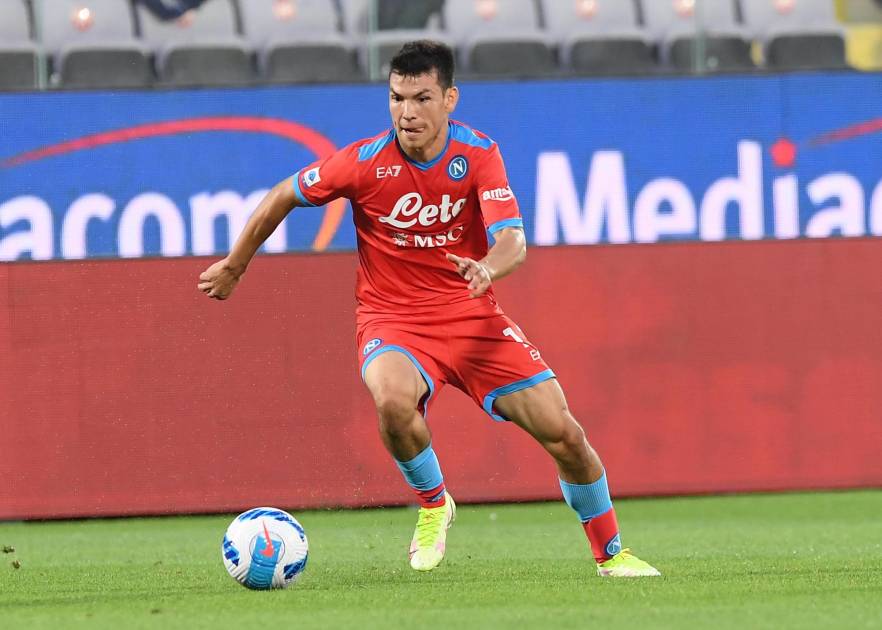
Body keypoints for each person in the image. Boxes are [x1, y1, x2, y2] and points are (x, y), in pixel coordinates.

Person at [198, 40, 659, 578]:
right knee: (392, 401)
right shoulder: (362, 163)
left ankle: (611, 555)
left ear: (449, 99)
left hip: (471, 316)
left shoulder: (479, 154)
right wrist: (236, 264)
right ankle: (435, 503)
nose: (407, 112)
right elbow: (284, 193)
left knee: (566, 436)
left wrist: (487, 268)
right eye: (397, 98)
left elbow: (513, 240)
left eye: (420, 98)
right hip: (393, 319)